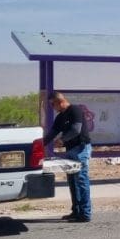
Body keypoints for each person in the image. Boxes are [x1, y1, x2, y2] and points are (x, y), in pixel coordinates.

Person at [44, 92, 93, 223]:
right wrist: (38, 145)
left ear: (59, 102)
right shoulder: (60, 117)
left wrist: (62, 139)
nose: (52, 107)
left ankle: (85, 213)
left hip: (81, 149)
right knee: (72, 181)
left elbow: (76, 129)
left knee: (81, 179)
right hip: (70, 150)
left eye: (52, 104)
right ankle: (76, 211)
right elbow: (51, 134)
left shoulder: (75, 110)